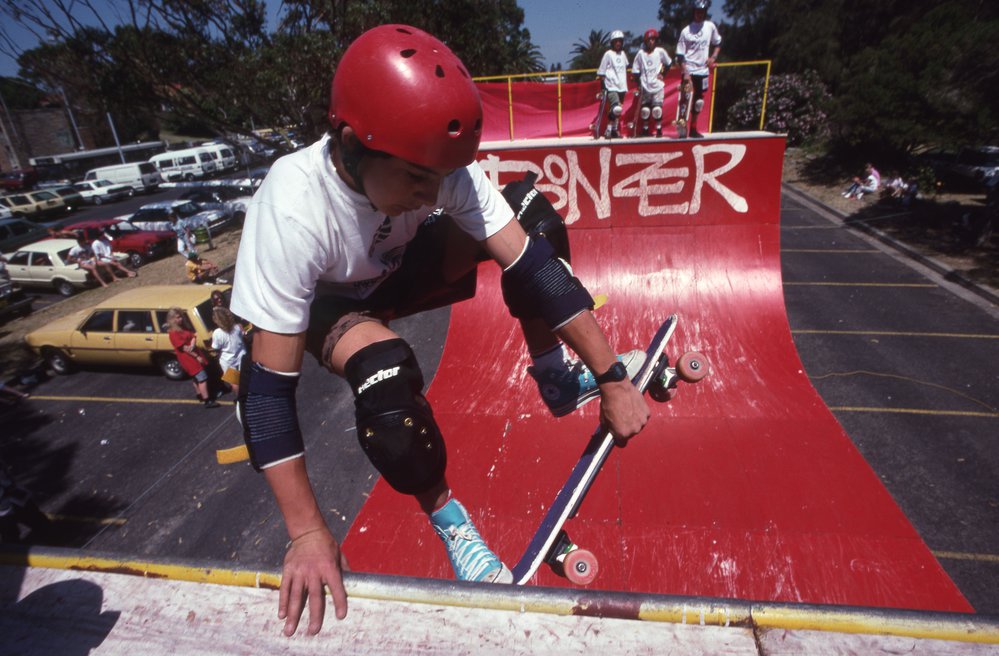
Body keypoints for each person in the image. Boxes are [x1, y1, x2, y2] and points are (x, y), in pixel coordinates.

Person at [230, 24, 650, 637]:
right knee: (385, 374)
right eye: (414, 180)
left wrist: (611, 376)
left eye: (438, 179)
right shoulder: (291, 210)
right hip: (331, 306)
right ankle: (452, 523)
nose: (431, 195)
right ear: (350, 143)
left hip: (396, 274)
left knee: (531, 216)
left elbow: (533, 267)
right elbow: (266, 394)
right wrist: (308, 534)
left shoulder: (435, 167)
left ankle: (555, 377)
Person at [675, 0, 722, 138]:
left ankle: (693, 128)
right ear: (693, 12)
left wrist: (713, 57)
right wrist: (685, 72)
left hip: (702, 70)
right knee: (685, 99)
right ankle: (682, 129)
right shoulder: (686, 31)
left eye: (702, 12)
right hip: (689, 69)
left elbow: (718, 43)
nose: (699, 14)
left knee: (698, 102)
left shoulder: (710, 27)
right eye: (697, 12)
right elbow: (680, 54)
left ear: (705, 12)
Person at [166, 307, 220, 409]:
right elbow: (184, 348)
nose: (180, 319)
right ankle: (207, 399)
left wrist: (192, 342)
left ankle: (199, 394)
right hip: (189, 359)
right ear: (172, 319)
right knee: (202, 378)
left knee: (195, 377)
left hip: (192, 355)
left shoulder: (182, 328)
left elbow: (192, 336)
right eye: (177, 317)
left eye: (180, 317)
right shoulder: (173, 333)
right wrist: (197, 356)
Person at [632, 28, 673, 138]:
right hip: (645, 85)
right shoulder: (641, 54)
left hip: (657, 85)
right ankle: (645, 129)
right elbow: (635, 70)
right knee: (645, 110)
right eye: (649, 40)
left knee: (656, 110)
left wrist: (662, 74)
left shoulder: (660, 51)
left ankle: (659, 129)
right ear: (645, 41)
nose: (651, 42)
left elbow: (668, 63)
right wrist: (638, 84)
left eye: (653, 39)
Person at [596, 30, 630, 139]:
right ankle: (608, 130)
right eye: (616, 41)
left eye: (620, 41)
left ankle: (614, 130)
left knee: (619, 110)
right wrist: (603, 87)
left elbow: (626, 67)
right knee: (616, 109)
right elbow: (601, 72)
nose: (618, 43)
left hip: (622, 87)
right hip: (611, 86)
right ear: (612, 42)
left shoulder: (623, 54)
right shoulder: (608, 54)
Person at [211, 306, 246, 397]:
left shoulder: (217, 333)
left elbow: (216, 347)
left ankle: (240, 399)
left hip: (228, 361)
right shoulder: (237, 327)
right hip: (242, 356)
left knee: (234, 383)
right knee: (245, 379)